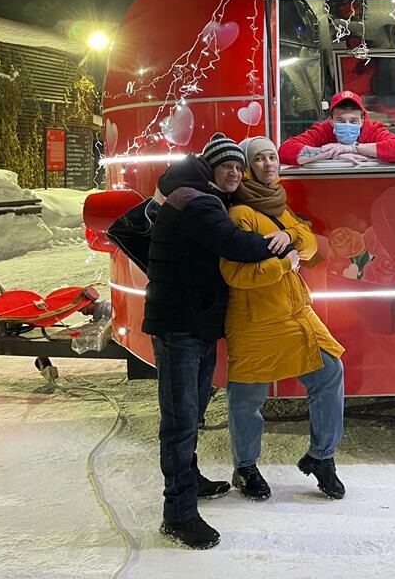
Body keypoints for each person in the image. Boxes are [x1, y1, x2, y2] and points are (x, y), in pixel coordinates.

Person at [142, 133, 278, 550]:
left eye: (239, 166)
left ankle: (191, 480)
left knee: (193, 412)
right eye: (227, 166)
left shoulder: (200, 195)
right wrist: (280, 245)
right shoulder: (196, 201)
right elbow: (235, 245)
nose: (235, 173)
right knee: (180, 421)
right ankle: (178, 514)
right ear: (209, 168)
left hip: (194, 323)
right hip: (180, 326)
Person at [221, 136, 347, 500]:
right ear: (248, 167)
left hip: (294, 312)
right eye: (259, 159)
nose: (268, 164)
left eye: (272, 157)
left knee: (330, 370)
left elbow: (309, 243)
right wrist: (283, 264)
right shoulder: (240, 214)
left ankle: (322, 457)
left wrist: (289, 235)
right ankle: (245, 468)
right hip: (254, 319)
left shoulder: (279, 205)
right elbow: (235, 274)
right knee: (248, 397)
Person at [278, 89, 395, 165]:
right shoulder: (322, 129)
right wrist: (333, 154)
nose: (347, 125)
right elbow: (285, 151)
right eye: (340, 120)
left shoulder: (373, 129)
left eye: (353, 121)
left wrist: (353, 148)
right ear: (331, 120)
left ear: (362, 120)